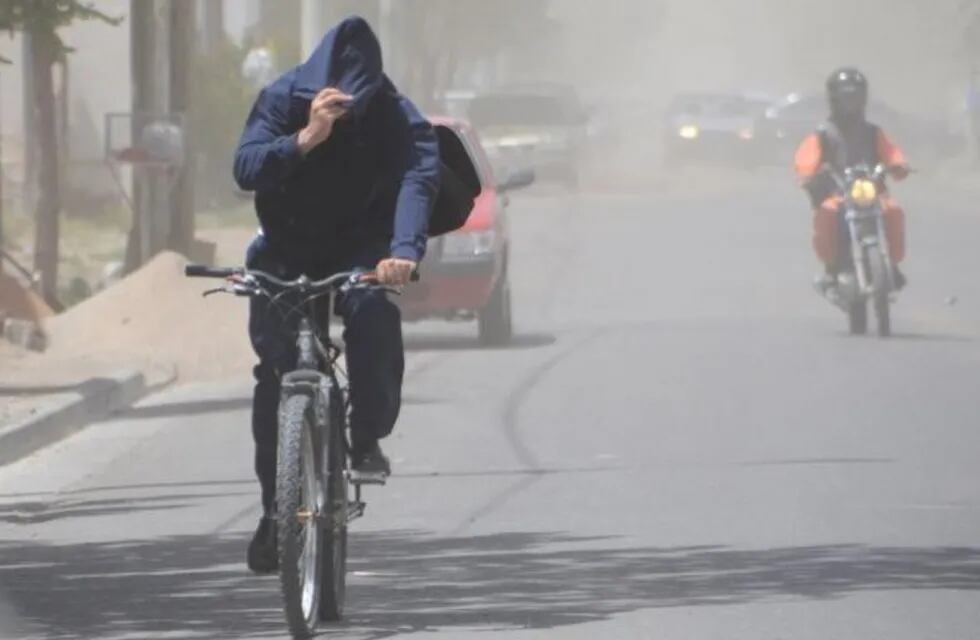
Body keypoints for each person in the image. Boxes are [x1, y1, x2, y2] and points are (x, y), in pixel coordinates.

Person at [232, 16, 440, 574]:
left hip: (359, 245)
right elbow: (244, 168)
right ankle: (276, 512)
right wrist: (304, 138)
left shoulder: (394, 114)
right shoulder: (281, 98)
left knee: (373, 313)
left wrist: (403, 252)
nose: (349, 113)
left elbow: (418, 177)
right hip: (286, 244)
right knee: (274, 373)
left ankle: (366, 432)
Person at [794, 68, 910, 292]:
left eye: (855, 97)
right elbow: (806, 158)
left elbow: (891, 153)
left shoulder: (873, 132)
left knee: (893, 211)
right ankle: (832, 267)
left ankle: (892, 266)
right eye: (846, 98)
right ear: (835, 100)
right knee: (827, 213)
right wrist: (808, 173)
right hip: (837, 194)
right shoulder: (823, 133)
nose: (851, 103)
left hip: (873, 194)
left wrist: (898, 165)